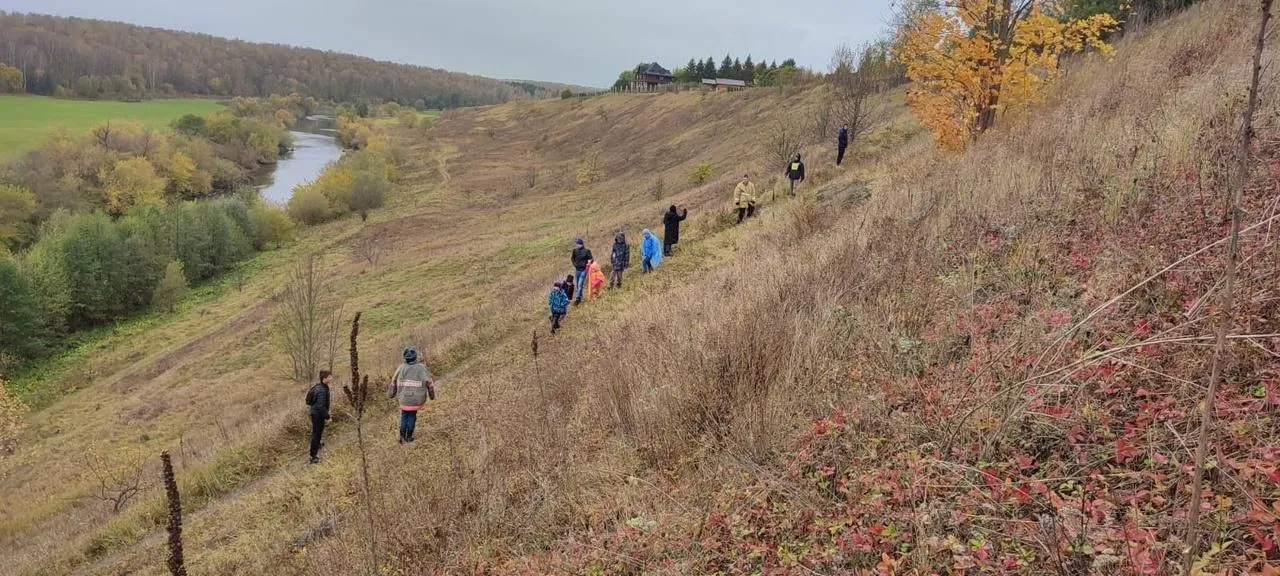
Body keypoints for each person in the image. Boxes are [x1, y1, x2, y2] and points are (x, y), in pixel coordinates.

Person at [388, 347, 435, 444]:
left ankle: (401, 436)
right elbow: (429, 384)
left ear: (405, 358)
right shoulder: (421, 368)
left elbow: (393, 382)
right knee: (412, 416)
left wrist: (391, 394)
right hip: (416, 399)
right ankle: (408, 437)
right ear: (415, 357)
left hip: (404, 399)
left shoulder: (401, 368)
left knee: (404, 416)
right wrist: (432, 396)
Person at [304, 370, 333, 464]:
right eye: (329, 377)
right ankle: (313, 457)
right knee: (317, 434)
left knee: (318, 431)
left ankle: (318, 444)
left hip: (316, 413)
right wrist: (328, 417)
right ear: (324, 379)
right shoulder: (321, 390)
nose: (331, 378)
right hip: (317, 414)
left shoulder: (321, 387)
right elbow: (320, 406)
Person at [570, 237, 593, 305]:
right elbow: (572, 258)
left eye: (579, 244)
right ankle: (581, 296)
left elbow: (591, 259)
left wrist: (589, 263)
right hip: (577, 270)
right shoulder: (575, 250)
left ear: (582, 244)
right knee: (578, 285)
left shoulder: (587, 251)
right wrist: (575, 264)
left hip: (584, 270)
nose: (577, 245)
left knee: (580, 284)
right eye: (577, 244)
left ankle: (577, 299)